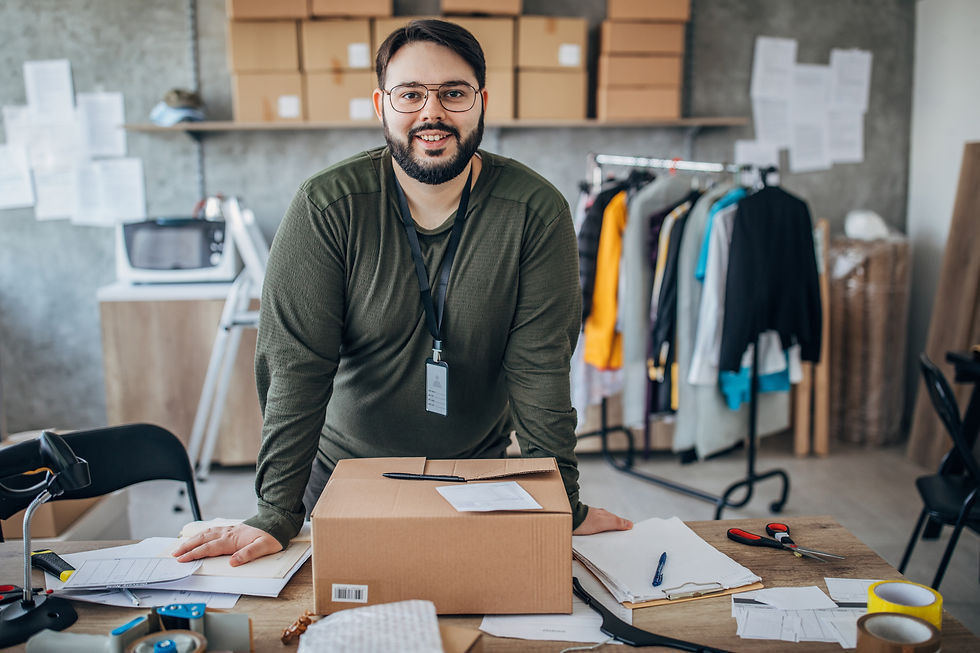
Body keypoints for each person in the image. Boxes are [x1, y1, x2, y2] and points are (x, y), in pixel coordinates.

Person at [174, 19, 631, 567]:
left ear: (481, 102)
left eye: (453, 94)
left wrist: (563, 502)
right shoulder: (328, 207)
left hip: (480, 477)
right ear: (381, 104)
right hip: (345, 477)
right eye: (410, 93)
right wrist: (276, 510)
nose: (431, 113)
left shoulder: (535, 211)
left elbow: (541, 371)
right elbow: (295, 368)